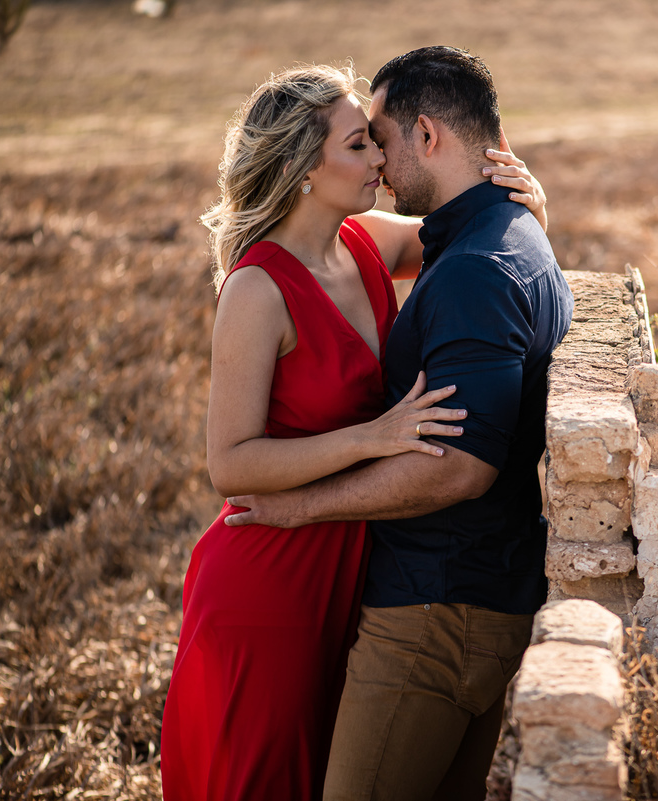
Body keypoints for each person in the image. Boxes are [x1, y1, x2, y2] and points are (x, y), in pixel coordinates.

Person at [160, 63, 548, 801]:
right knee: (269, 775)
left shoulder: (366, 240)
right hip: (270, 575)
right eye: (361, 145)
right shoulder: (256, 289)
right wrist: (374, 436)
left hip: (354, 557)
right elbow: (230, 465)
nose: (381, 159)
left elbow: (463, 227)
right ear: (306, 170)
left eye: (377, 142)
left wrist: (524, 201)